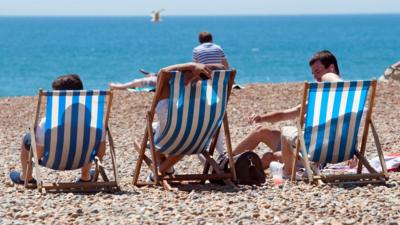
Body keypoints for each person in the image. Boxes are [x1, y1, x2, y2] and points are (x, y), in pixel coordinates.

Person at [232, 50, 343, 176]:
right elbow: (286, 114)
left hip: (314, 155)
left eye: (318, 71)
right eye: (313, 74)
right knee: (260, 131)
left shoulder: (338, 98)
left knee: (270, 156)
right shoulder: (326, 96)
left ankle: (234, 173)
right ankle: (228, 161)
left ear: (331, 68)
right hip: (300, 145)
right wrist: (262, 117)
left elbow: (342, 131)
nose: (316, 77)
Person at [10, 74, 105, 185]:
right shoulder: (96, 123)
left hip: (54, 162)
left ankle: (26, 177)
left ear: (58, 97)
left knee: (26, 138)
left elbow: (39, 154)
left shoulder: (47, 123)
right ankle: (85, 177)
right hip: (82, 159)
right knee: (88, 138)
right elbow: (100, 153)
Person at [137, 62, 226, 179]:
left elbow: (162, 73)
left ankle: (160, 171)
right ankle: (167, 169)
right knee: (176, 134)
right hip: (199, 142)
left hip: (171, 141)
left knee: (154, 133)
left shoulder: (169, 110)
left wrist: (190, 66)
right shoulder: (211, 104)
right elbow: (222, 68)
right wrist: (199, 69)